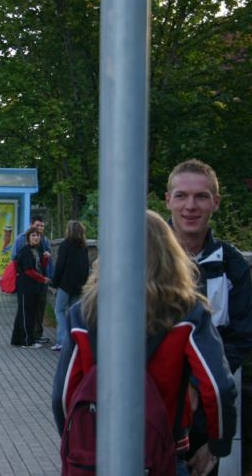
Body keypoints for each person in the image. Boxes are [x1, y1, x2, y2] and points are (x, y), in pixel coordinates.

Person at [52, 211, 237, 474]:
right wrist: (218, 445)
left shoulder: (84, 314)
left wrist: (74, 440)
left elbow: (62, 394)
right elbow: (218, 387)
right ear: (169, 252)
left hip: (96, 454)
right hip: (164, 454)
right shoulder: (187, 313)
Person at [165, 159, 252, 473]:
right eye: (182, 196)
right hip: (150, 414)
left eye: (201, 196)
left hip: (204, 416)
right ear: (168, 200)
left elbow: (240, 339)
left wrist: (214, 444)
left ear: (215, 202)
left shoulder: (232, 266)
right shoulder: (140, 258)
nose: (190, 206)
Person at [50, 220, 90, 351]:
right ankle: (73, 341)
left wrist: (54, 282)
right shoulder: (84, 247)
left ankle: (62, 340)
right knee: (73, 312)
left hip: (65, 284)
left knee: (59, 310)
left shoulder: (65, 245)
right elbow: (86, 266)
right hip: (79, 285)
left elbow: (60, 265)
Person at [12, 215, 53, 343]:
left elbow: (40, 264)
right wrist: (41, 279)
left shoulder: (42, 243)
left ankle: (33, 335)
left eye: (41, 227)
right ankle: (26, 339)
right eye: (37, 227)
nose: (38, 232)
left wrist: (46, 259)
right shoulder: (24, 246)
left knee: (37, 309)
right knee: (25, 312)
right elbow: (27, 268)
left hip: (38, 283)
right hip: (28, 284)